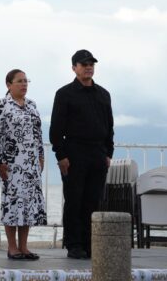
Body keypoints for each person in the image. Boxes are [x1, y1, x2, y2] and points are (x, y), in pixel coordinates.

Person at [49, 49, 114, 260]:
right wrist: (61, 155)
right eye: (84, 64)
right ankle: (74, 244)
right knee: (74, 200)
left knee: (93, 201)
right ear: (74, 68)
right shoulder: (64, 94)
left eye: (91, 64)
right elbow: (56, 129)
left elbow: (109, 126)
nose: (88, 67)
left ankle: (89, 243)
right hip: (74, 152)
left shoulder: (103, 94)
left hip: (98, 153)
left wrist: (108, 153)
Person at [0, 69, 47, 260]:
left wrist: (41, 156)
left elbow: (38, 134)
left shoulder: (32, 105)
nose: (24, 84)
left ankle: (24, 247)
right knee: (12, 203)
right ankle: (12, 247)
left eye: (26, 81)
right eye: (20, 81)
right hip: (11, 164)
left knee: (28, 204)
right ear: (9, 84)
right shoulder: (1, 105)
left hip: (31, 164)